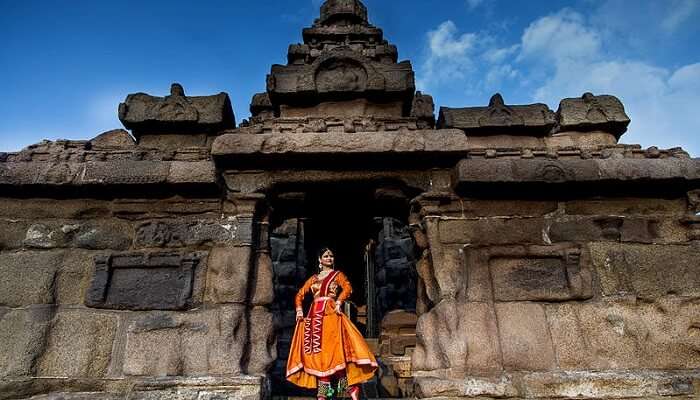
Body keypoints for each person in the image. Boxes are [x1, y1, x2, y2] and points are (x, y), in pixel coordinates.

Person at [286, 247, 377, 399]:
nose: (329, 258)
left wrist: (339, 301)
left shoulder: (337, 275)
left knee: (334, 350)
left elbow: (347, 287)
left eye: (331, 256)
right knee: (319, 353)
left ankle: (348, 386)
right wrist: (299, 310)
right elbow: (299, 295)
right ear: (319, 260)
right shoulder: (314, 278)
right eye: (326, 256)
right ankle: (324, 391)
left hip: (331, 314)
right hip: (315, 317)